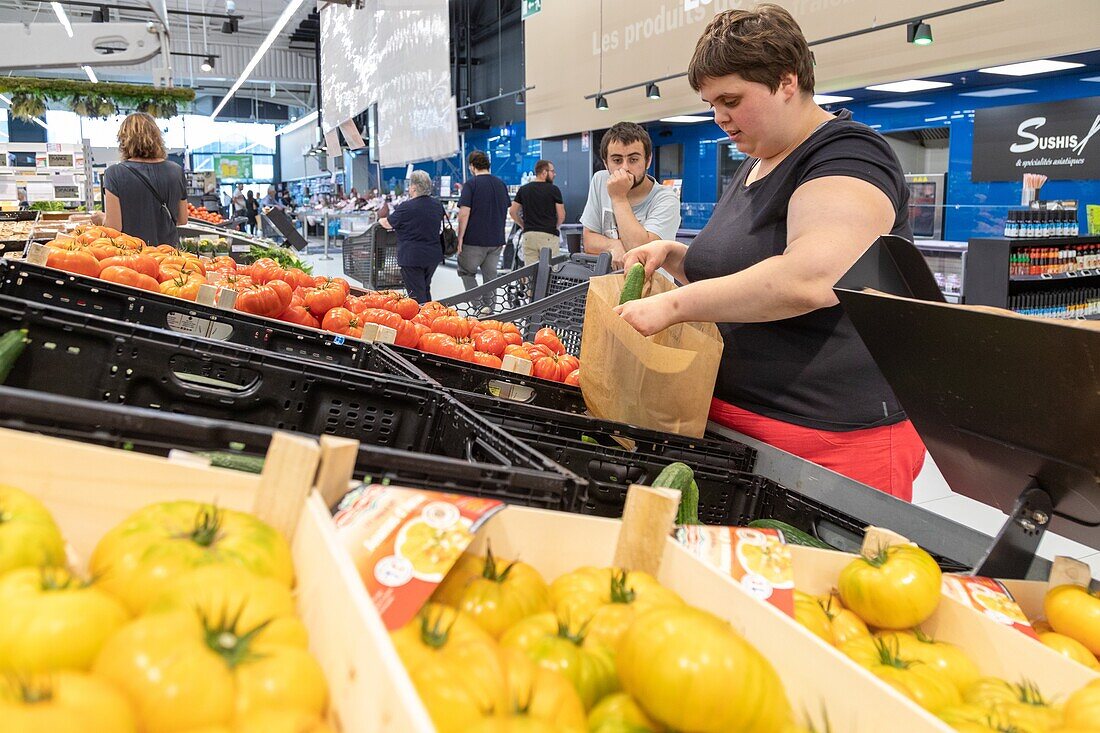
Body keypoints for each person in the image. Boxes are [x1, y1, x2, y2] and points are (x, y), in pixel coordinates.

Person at [615, 4, 925, 501]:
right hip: (736, 423)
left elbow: (812, 277)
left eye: (731, 100)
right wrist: (672, 255)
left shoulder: (849, 154)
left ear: (787, 81)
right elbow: (740, 266)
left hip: (827, 439)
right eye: (711, 103)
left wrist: (673, 306)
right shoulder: (757, 161)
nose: (720, 118)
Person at [580, 122, 681, 269]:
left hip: (654, 289)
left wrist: (619, 198)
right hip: (609, 286)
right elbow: (589, 240)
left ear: (648, 160)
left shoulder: (666, 198)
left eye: (633, 159)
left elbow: (643, 252)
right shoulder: (600, 180)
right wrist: (613, 245)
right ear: (605, 163)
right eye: (617, 160)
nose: (625, 168)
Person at [103, 112, 187, 247]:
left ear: (124, 140)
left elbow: (114, 227)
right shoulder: (176, 171)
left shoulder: (114, 173)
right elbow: (183, 219)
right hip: (169, 256)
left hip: (132, 256)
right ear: (157, 137)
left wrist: (101, 219)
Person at [379, 170, 445, 304]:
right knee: (425, 288)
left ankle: (420, 320)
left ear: (414, 188)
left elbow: (388, 223)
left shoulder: (406, 207)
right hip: (432, 255)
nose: (408, 188)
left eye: (409, 186)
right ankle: (430, 317)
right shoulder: (437, 205)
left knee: (415, 293)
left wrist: (380, 220)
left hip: (412, 257)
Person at [457, 151, 511, 302]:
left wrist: (460, 238)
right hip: (496, 241)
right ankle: (490, 314)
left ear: (473, 167)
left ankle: (478, 307)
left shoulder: (471, 185)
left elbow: (464, 214)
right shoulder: (501, 184)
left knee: (467, 273)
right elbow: (505, 208)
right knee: (490, 279)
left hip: (474, 240)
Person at [510, 159, 565, 266]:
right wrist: (555, 226)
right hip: (548, 235)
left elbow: (512, 211)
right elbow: (562, 215)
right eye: (552, 171)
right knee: (551, 271)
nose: (554, 174)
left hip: (529, 236)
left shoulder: (524, 190)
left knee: (531, 272)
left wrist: (523, 225)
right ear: (544, 172)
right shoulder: (554, 190)